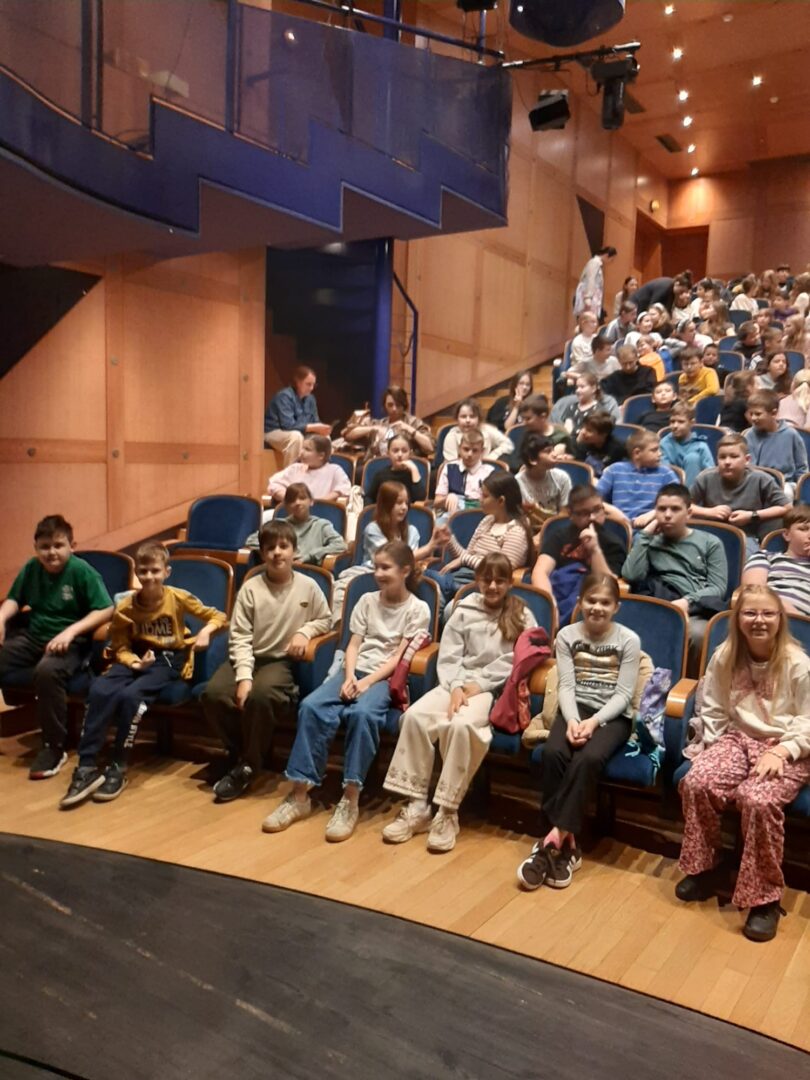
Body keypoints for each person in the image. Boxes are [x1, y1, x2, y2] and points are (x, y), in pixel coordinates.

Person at [261, 541, 431, 842]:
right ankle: (299, 795)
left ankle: (350, 798)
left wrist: (367, 683)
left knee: (364, 714)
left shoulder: (418, 608)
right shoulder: (366, 600)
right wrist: (350, 676)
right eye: (376, 567)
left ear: (406, 570)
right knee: (311, 706)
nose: (378, 573)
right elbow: (353, 644)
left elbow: (399, 657)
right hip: (354, 670)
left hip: (384, 678)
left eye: (386, 568)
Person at [675, 586, 810, 943]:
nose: (759, 620)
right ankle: (707, 868)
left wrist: (783, 751)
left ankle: (765, 899)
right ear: (738, 619)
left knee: (757, 800)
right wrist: (714, 747)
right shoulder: (725, 655)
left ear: (780, 619)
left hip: (786, 746)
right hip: (738, 738)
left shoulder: (798, 663)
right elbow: (714, 706)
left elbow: (808, 719)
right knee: (697, 781)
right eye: (750, 613)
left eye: (768, 613)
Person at [382, 552, 535, 853]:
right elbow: (450, 653)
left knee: (461, 725)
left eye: (500, 580)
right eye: (486, 580)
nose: (492, 586)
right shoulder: (464, 609)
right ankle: (417, 806)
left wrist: (478, 685)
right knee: (415, 716)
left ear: (509, 583)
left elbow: (519, 659)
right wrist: (454, 687)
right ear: (477, 580)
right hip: (454, 682)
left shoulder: (522, 615)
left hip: (490, 689)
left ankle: (447, 812)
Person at [59, 542, 228, 808]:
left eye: (155, 571)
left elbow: (218, 615)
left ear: (167, 572)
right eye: (144, 571)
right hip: (137, 655)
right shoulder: (126, 606)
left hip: (168, 658)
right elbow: (119, 645)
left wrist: (205, 632)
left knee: (131, 696)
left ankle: (118, 765)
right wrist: (135, 663)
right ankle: (87, 766)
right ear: (136, 572)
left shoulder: (177, 597)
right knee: (100, 689)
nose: (149, 576)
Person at [516, 573, 641, 890]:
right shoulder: (567, 635)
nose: (597, 607)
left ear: (616, 607)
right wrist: (572, 720)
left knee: (588, 759)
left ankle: (550, 841)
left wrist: (594, 722)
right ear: (580, 602)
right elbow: (567, 687)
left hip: (613, 717)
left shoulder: (628, 640)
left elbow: (624, 695)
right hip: (575, 709)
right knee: (554, 752)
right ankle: (568, 847)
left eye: (605, 602)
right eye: (591, 600)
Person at [200, 521, 331, 802]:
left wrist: (305, 632)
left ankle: (248, 766)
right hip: (247, 657)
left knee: (261, 695)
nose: (277, 553)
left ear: (294, 551)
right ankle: (242, 753)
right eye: (270, 548)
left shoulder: (308, 586)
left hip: (280, 662)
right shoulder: (251, 588)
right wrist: (244, 676)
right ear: (261, 553)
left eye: (283, 546)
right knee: (213, 694)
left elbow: (326, 619)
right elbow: (239, 636)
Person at [0, 515, 114, 780]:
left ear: (71, 546)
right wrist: (2, 617)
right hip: (34, 636)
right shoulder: (32, 568)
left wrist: (71, 631)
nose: (51, 552)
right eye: (45, 546)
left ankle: (54, 747)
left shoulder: (82, 571)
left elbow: (106, 608)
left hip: (72, 642)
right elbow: (15, 598)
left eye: (58, 545)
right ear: (36, 548)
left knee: (47, 671)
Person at [622, 484, 728, 671]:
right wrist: (645, 535)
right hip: (656, 604)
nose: (667, 515)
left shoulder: (710, 542)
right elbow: (631, 575)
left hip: (694, 609)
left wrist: (687, 601)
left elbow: (718, 587)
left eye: (675, 509)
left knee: (698, 634)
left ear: (689, 513)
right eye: (661, 509)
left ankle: (687, 682)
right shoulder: (649, 541)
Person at [332, 481, 443, 624]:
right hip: (371, 572)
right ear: (386, 505)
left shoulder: (412, 531)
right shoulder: (373, 529)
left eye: (406, 503)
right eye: (398, 503)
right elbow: (390, 558)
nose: (404, 508)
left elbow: (407, 561)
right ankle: (340, 628)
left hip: (402, 576)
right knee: (341, 589)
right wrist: (429, 547)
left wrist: (430, 547)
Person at [426, 472, 535, 608]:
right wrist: (448, 539)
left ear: (501, 501)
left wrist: (465, 559)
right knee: (432, 592)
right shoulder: (487, 520)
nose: (479, 499)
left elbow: (499, 570)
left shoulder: (517, 530)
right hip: (464, 576)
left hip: (486, 585)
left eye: (485, 496)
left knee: (447, 604)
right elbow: (467, 554)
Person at [532, 485, 626, 625]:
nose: (592, 517)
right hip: (557, 592)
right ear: (571, 514)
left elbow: (607, 584)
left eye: (597, 510)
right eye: (583, 513)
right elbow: (540, 571)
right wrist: (550, 606)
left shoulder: (613, 543)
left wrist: (595, 550)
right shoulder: (560, 536)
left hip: (590, 603)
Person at [690, 433, 789, 555]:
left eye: (734, 456)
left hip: (747, 537)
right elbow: (685, 506)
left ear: (747, 460)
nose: (727, 462)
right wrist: (709, 512)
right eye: (722, 457)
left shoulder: (761, 479)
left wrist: (752, 515)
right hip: (710, 536)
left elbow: (787, 507)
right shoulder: (705, 477)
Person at [596, 430, 679, 529]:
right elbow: (594, 500)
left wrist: (655, 513)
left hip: (652, 527)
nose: (660, 454)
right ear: (637, 453)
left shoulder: (665, 473)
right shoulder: (615, 470)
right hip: (618, 526)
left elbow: (680, 501)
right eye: (654, 450)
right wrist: (615, 512)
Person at [742, 504, 810, 615]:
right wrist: (796, 617)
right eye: (803, 529)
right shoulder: (765, 557)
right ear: (787, 535)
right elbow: (754, 593)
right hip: (767, 617)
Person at [264, 366, 331, 467]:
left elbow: (315, 421)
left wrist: (322, 429)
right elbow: (288, 425)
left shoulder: (311, 399)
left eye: (313, 385)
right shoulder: (284, 396)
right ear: (298, 382)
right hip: (274, 431)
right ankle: (292, 475)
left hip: (299, 432)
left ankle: (319, 472)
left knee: (325, 438)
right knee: (295, 437)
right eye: (308, 384)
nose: (311, 388)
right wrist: (313, 427)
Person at [745, 389, 809, 495]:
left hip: (786, 484)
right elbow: (750, 467)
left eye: (758, 414)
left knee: (786, 493)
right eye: (751, 414)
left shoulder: (791, 434)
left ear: (774, 413)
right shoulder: (750, 435)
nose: (753, 418)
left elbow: (802, 467)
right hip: (758, 483)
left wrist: (800, 489)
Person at [342, 385, 434, 459]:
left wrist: (409, 429)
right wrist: (374, 428)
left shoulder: (414, 423)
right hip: (377, 464)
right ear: (385, 406)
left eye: (398, 405)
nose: (394, 409)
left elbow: (430, 447)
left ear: (404, 405)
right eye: (390, 405)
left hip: (404, 466)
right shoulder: (379, 423)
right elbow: (348, 435)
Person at [267, 435, 351, 504]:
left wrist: (315, 503)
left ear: (321, 456)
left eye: (307, 449)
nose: (301, 453)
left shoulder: (334, 470)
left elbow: (343, 489)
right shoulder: (295, 468)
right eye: (302, 448)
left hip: (322, 513)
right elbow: (274, 484)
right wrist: (292, 499)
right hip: (294, 512)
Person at [279, 483, 348, 565]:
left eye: (302, 498)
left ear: (311, 501)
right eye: (292, 500)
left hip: (310, 567)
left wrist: (311, 555)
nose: (297, 502)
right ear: (286, 505)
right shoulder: (279, 525)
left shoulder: (321, 525)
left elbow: (341, 545)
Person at [434, 429, 495, 515]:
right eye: (466, 449)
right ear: (459, 448)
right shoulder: (449, 468)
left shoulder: (489, 472)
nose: (470, 454)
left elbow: (494, 504)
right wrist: (447, 498)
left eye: (475, 450)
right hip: (451, 515)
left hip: (478, 514)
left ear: (482, 451)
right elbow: (436, 502)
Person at [441, 398, 513, 464]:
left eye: (472, 416)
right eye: (463, 417)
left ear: (479, 418)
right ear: (457, 419)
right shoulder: (452, 436)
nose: (468, 420)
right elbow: (451, 465)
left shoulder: (487, 429)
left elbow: (508, 444)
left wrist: (491, 457)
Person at [660, 402, 715, 487]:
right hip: (672, 488)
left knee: (692, 458)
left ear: (692, 423)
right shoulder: (664, 443)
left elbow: (711, 475)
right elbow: (664, 472)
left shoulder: (701, 446)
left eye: (681, 422)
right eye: (672, 421)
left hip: (698, 489)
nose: (675, 426)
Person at [515, 433, 571, 516]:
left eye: (553, 450)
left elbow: (564, 513)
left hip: (555, 522)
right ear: (532, 460)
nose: (555, 454)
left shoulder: (562, 477)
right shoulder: (516, 484)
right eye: (548, 451)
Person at [551, 373, 619, 439]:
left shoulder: (599, 411)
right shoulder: (572, 407)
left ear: (593, 389)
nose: (578, 390)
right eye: (577, 387)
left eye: (582, 387)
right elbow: (568, 429)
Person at [364, 432, 426, 505]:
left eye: (404, 451)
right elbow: (369, 498)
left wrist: (414, 470)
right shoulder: (381, 475)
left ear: (410, 453)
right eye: (395, 451)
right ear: (388, 453)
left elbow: (420, 499)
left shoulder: (414, 475)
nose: (400, 455)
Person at [570, 412, 625, 478]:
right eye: (583, 427)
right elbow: (578, 469)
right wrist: (577, 444)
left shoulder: (616, 448)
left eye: (589, 430)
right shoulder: (583, 442)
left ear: (603, 434)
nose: (583, 432)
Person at [573, 246, 616, 319]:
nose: (611, 262)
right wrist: (588, 297)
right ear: (607, 255)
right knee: (586, 319)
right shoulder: (594, 262)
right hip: (589, 296)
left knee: (590, 319)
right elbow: (590, 279)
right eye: (612, 259)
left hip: (593, 296)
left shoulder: (598, 264)